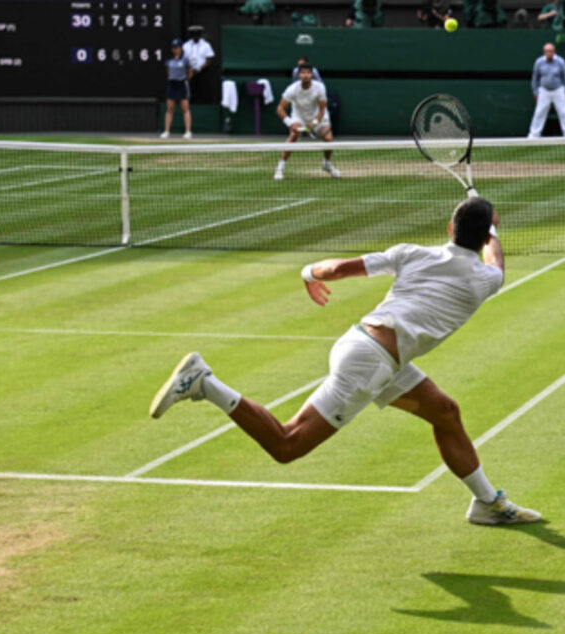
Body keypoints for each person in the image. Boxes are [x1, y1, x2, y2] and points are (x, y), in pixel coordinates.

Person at [149, 197, 542, 527]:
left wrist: (307, 272)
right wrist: (492, 230)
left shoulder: (411, 254)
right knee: (287, 445)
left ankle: (486, 503)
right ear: (483, 235)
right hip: (369, 367)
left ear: (449, 227)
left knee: (445, 412)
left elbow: (334, 270)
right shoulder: (486, 280)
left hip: (365, 348)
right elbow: (495, 260)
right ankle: (204, 383)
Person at [274, 64, 340, 180]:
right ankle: (279, 169)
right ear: (299, 75)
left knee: (328, 139)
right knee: (293, 137)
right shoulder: (292, 89)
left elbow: (322, 109)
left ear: (312, 75)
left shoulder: (319, 87)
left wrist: (314, 123)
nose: (306, 75)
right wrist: (290, 123)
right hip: (299, 117)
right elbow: (280, 108)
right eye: (303, 73)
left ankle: (327, 164)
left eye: (308, 73)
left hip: (318, 117)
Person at [528, 43, 565, 138]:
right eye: (546, 51)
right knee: (539, 112)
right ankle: (534, 134)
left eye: (550, 51)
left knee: (564, 112)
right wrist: (535, 91)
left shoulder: (561, 62)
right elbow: (535, 78)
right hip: (544, 91)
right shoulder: (539, 62)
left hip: (559, 90)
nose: (548, 53)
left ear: (554, 52)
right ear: (544, 52)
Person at [161, 39, 193, 139]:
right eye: (173, 48)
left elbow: (190, 72)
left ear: (181, 48)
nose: (175, 50)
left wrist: (184, 79)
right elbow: (168, 72)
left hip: (181, 84)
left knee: (185, 108)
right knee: (170, 109)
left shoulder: (185, 59)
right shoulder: (170, 61)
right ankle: (166, 131)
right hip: (172, 84)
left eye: (177, 48)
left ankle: (188, 132)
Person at [181, 26, 216, 104]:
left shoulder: (206, 45)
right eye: (193, 35)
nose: (195, 37)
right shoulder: (186, 45)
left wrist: (199, 68)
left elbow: (209, 60)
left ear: (200, 35)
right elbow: (183, 59)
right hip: (190, 72)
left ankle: (203, 106)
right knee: (190, 90)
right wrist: (189, 69)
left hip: (203, 71)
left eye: (197, 34)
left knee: (203, 90)